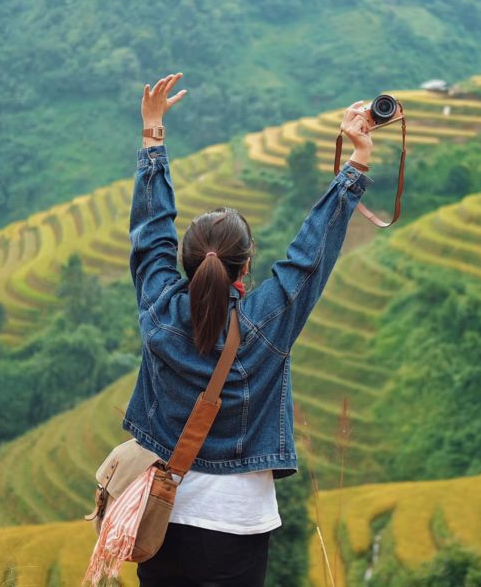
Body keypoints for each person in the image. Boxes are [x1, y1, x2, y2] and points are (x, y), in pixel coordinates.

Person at [126, 73, 375, 586]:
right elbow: (310, 257)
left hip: (160, 512)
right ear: (245, 266)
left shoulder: (160, 312)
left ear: (186, 262)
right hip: (238, 523)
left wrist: (153, 134)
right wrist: (357, 161)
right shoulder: (266, 322)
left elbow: (150, 234)